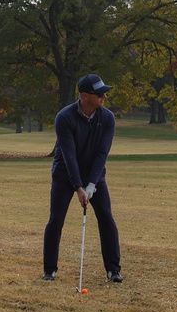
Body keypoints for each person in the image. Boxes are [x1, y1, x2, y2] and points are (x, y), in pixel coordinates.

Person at [42, 73, 122, 283]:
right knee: (56, 219)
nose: (105, 96)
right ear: (85, 96)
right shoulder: (64, 117)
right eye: (100, 93)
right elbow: (68, 156)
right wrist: (78, 187)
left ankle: (113, 269)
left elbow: (101, 154)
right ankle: (49, 269)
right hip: (64, 174)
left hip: (94, 176)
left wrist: (92, 185)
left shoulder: (107, 118)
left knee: (106, 217)